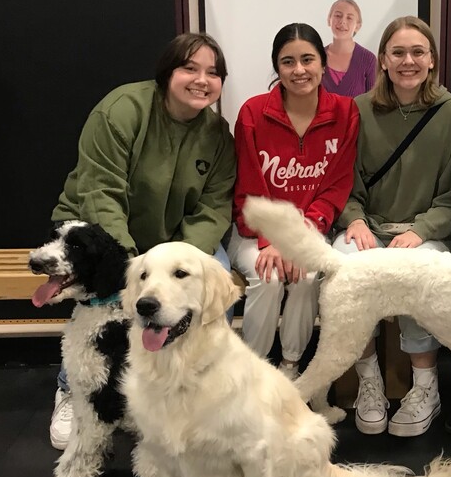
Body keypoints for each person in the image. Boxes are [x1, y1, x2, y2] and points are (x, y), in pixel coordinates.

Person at [48, 32, 236, 449]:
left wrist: (178, 261)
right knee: (105, 295)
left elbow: (214, 207)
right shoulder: (122, 110)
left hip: (172, 241)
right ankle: (72, 389)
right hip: (100, 232)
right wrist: (132, 265)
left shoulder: (218, 134)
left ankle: (183, 387)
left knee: (214, 277)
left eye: (213, 73)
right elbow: (100, 192)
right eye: (190, 68)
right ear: (168, 72)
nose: (201, 80)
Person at [335, 16, 451, 437]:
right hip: (370, 227)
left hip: (426, 231)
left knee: (420, 275)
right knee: (345, 269)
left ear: (431, 60)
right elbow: (345, 182)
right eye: (398, 52)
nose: (407, 61)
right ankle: (369, 380)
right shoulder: (358, 109)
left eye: (417, 52)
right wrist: (355, 221)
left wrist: (423, 229)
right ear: (383, 60)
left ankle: (425, 387)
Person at [230, 23, 359, 377]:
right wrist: (273, 239)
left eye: (307, 59)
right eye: (288, 62)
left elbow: (336, 185)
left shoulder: (346, 112)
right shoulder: (253, 113)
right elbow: (249, 188)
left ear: (323, 63)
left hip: (309, 228)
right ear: (277, 67)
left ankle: (290, 366)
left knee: (306, 275)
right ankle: (251, 373)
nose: (299, 70)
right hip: (255, 230)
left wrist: (297, 237)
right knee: (268, 278)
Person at [322, 0, 377, 98]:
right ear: (329, 19)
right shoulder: (318, 57)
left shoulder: (369, 60)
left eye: (349, 18)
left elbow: (373, 102)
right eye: (338, 16)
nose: (342, 21)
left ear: (358, 26)